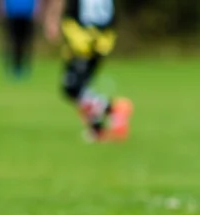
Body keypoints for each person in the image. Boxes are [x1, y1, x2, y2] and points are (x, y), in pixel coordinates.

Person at [42, 0, 133, 141]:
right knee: (81, 89)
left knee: (72, 88)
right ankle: (97, 129)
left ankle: (113, 109)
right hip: (101, 41)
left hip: (82, 40)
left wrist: (52, 19)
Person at [0, 0, 39, 79]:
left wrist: (36, 10)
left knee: (26, 42)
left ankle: (25, 66)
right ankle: (14, 66)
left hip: (27, 14)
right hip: (12, 13)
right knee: (13, 41)